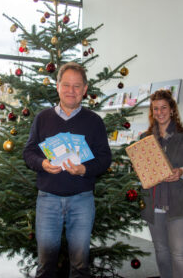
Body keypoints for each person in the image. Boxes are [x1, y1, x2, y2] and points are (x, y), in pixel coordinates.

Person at [23, 62, 112, 278]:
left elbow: (105, 159)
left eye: (76, 86)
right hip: (48, 199)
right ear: (58, 86)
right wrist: (42, 163)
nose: (71, 91)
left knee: (80, 265)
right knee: (45, 265)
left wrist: (84, 169)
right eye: (66, 85)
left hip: (82, 200)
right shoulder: (42, 118)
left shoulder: (94, 121)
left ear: (84, 89)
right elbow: (29, 153)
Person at [140, 89, 183, 278]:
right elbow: (142, 172)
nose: (160, 112)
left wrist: (181, 172)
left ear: (172, 110)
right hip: (154, 203)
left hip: (181, 203)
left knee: (179, 253)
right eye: (155, 109)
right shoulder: (145, 139)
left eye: (164, 108)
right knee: (161, 252)